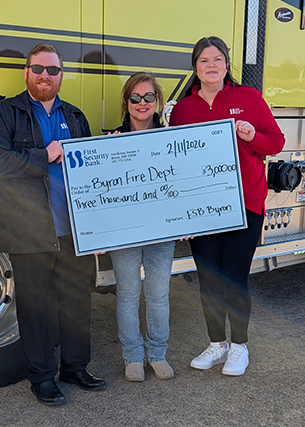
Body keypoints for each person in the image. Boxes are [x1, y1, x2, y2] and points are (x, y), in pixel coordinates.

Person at [0, 43, 105, 406]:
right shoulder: (7, 113)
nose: (45, 76)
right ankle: (43, 377)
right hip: (29, 229)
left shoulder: (75, 116)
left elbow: (92, 174)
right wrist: (43, 155)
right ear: (26, 73)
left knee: (77, 301)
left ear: (62, 75)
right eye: (38, 69)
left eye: (52, 70)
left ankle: (75, 367)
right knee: (36, 309)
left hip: (72, 230)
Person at [169, 36, 286, 377]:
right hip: (202, 210)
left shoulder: (248, 98)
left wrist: (251, 136)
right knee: (208, 279)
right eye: (204, 60)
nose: (211, 65)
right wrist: (181, 215)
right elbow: (175, 162)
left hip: (244, 205)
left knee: (234, 277)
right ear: (195, 67)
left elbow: (276, 142)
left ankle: (239, 347)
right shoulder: (183, 110)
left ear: (226, 64)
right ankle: (217, 344)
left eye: (217, 59)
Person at [108, 72, 177, 383]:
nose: (142, 103)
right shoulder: (110, 141)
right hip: (124, 230)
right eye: (135, 97)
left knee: (159, 295)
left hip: (161, 230)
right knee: (128, 294)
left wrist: (187, 219)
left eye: (149, 96)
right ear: (126, 102)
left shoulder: (171, 141)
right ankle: (133, 356)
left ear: (157, 101)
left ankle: (158, 354)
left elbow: (182, 185)